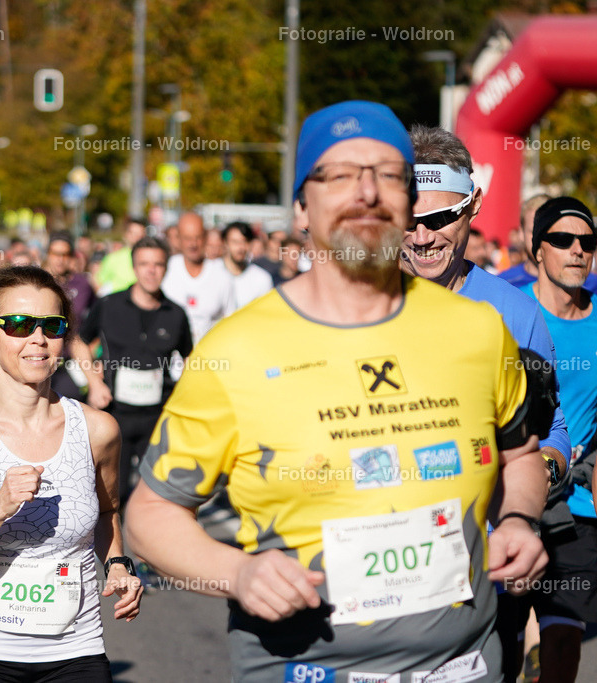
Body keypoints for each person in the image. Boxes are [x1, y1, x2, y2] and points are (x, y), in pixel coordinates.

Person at [124, 101, 549, 681]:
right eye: (340, 174)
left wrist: (521, 518)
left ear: (408, 201)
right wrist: (238, 575)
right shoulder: (239, 351)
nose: (367, 192)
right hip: (306, 666)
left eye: (388, 175)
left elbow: (519, 455)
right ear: (302, 207)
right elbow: (149, 517)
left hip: (463, 666)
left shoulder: (477, 330)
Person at [398, 125, 571, 683]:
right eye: (410, 220)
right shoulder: (355, 303)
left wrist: (541, 474)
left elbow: (551, 427)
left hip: (484, 563)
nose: (423, 238)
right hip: (385, 561)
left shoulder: (513, 311)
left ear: (473, 205)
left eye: (441, 220)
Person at [0, 265, 143, 682]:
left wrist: (118, 565)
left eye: (52, 326)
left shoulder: (98, 430)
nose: (38, 339)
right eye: (19, 325)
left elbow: (107, 512)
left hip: (77, 650)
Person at [520, 196, 597, 683]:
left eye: (587, 243)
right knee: (501, 640)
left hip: (577, 506)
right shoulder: (509, 310)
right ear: (537, 249)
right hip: (508, 495)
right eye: (562, 240)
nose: (577, 251)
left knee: (564, 640)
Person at [74, 237, 192, 503]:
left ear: (166, 268)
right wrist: (94, 382)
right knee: (110, 495)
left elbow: (190, 359)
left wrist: (182, 398)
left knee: (159, 495)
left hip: (157, 417)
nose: (151, 271)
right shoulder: (109, 305)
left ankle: (149, 542)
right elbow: (78, 341)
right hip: (115, 414)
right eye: (144, 264)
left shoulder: (176, 314)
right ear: (134, 268)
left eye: (158, 264)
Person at [160, 212, 236, 345]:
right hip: (171, 361)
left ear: (205, 237)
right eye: (187, 238)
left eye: (198, 237)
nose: (193, 244)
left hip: (210, 360)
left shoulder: (222, 276)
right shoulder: (166, 270)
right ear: (178, 238)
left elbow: (231, 322)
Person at [500, 194, 597, 294]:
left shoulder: (592, 285)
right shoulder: (504, 283)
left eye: (554, 234)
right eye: (534, 231)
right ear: (521, 233)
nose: (541, 238)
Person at [44, 232, 97, 402]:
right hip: (41, 356)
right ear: (48, 254)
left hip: (72, 359)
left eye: (65, 254)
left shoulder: (82, 284)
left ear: (72, 256)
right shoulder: (37, 281)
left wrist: (94, 346)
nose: (60, 259)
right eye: (55, 254)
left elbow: (98, 318)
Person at [221, 221, 273, 307]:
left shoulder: (262, 279)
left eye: (244, 241)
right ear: (225, 243)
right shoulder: (212, 272)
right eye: (235, 242)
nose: (240, 247)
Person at [95, 217, 147, 296]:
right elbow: (99, 281)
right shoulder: (113, 258)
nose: (136, 237)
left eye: (139, 234)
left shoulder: (150, 258)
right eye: (133, 233)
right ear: (126, 235)